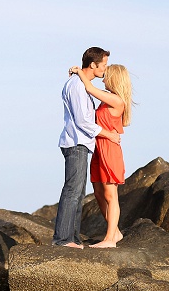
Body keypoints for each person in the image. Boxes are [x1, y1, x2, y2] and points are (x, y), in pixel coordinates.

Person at [54, 47, 120, 249]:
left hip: (81, 144)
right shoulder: (77, 86)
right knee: (73, 191)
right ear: (93, 65)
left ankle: (72, 238)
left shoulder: (81, 84)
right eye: (104, 65)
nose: (105, 70)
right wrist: (108, 134)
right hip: (76, 143)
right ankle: (63, 239)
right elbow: (83, 121)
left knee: (78, 193)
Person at [70, 63, 134, 248]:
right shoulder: (107, 101)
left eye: (107, 75)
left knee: (110, 194)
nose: (103, 77)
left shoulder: (117, 100)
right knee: (98, 193)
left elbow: (89, 88)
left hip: (110, 150)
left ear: (114, 78)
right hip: (99, 148)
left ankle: (109, 240)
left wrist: (79, 72)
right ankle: (115, 232)